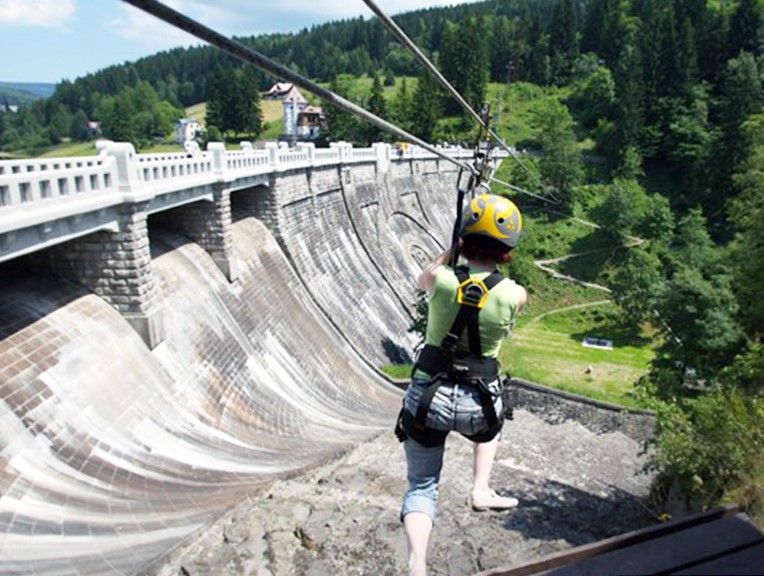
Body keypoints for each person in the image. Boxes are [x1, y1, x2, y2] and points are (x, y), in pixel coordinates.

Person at [396, 193, 527, 576]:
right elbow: (505, 296)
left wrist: (452, 248)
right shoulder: (515, 295)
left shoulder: (439, 280)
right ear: (507, 249)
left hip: (428, 399)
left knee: (421, 487)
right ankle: (480, 488)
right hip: (478, 406)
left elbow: (425, 275)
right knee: (493, 426)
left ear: (465, 241)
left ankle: (417, 562)